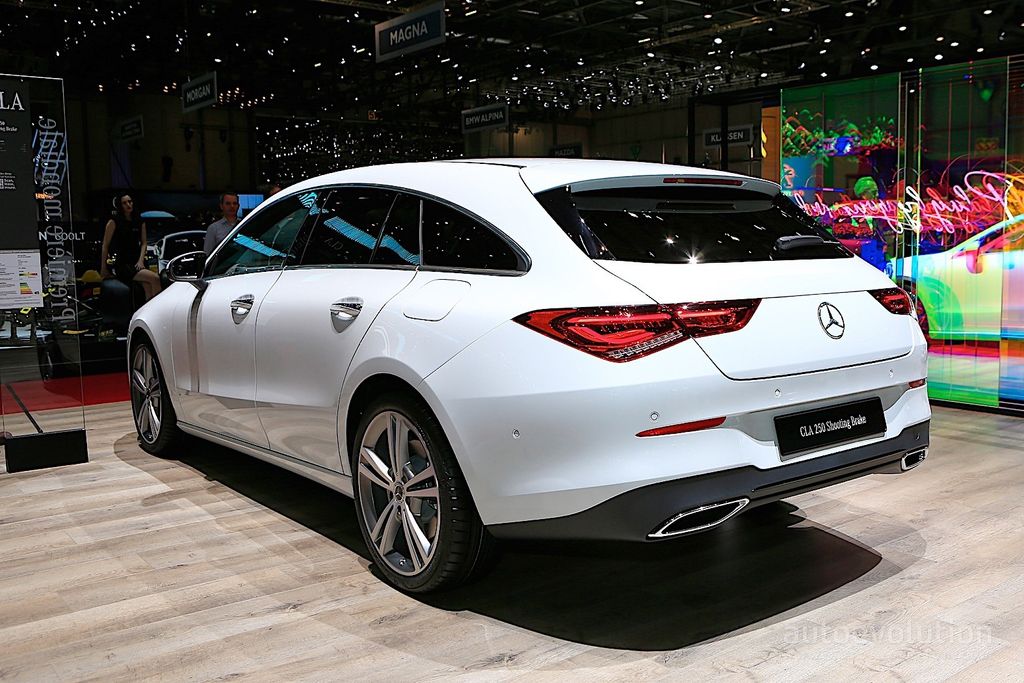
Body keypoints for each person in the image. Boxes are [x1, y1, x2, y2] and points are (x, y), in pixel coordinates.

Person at [100, 193, 162, 302]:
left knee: (148, 286)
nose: (128, 204)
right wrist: (103, 268)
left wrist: (141, 261)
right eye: (124, 203)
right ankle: (159, 309)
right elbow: (105, 245)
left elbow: (144, 243)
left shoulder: (139, 221)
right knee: (155, 279)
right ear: (120, 206)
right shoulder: (113, 222)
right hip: (124, 264)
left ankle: (148, 311)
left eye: (130, 201)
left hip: (138, 262)